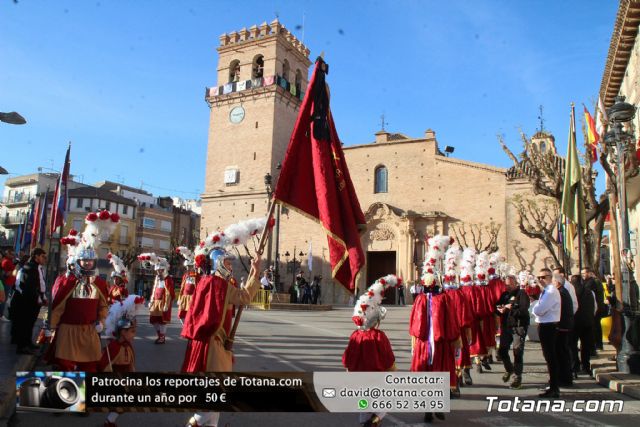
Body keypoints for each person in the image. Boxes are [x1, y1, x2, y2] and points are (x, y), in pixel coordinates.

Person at [182, 217, 266, 427]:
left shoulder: (207, 282)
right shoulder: (219, 285)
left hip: (208, 344)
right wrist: (256, 272)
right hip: (212, 346)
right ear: (217, 263)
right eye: (227, 262)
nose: (229, 265)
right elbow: (244, 297)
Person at [47, 211, 117, 371]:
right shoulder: (68, 282)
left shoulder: (99, 283)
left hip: (89, 331)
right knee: (66, 368)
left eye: (90, 261)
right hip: (68, 332)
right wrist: (50, 327)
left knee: (90, 367)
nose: (87, 263)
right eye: (84, 260)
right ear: (79, 261)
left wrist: (101, 321)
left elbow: (103, 306)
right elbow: (58, 307)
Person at [343, 275, 398, 427]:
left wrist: (349, 371)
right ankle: (374, 421)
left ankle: (366, 422)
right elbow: (388, 359)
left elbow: (347, 358)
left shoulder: (355, 335)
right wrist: (391, 371)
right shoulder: (379, 337)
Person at [99, 294, 144, 427]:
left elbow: (131, 363)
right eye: (132, 331)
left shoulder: (127, 346)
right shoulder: (114, 348)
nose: (134, 335)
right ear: (123, 332)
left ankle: (110, 421)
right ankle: (109, 422)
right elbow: (104, 365)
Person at [9, 248, 48, 354]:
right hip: (28, 301)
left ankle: (28, 342)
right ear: (36, 256)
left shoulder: (37, 267)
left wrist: (43, 296)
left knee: (30, 324)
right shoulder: (30, 268)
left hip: (34, 300)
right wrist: (38, 298)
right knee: (25, 323)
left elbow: (40, 284)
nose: (45, 259)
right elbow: (30, 287)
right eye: (43, 257)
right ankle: (22, 346)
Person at [495, 274, 530, 389]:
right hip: (506, 327)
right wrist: (499, 309)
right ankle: (509, 369)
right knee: (502, 351)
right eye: (506, 285)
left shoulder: (522, 294)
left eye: (509, 285)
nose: (507, 287)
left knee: (517, 352)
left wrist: (512, 308)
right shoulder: (505, 295)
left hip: (518, 327)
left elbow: (524, 311)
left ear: (515, 283)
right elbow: (497, 306)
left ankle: (517, 377)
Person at [532, 268, 561, 398]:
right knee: (549, 357)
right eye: (539, 277)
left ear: (550, 277)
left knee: (551, 358)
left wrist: (535, 308)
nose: (540, 280)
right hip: (545, 326)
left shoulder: (550, 292)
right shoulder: (546, 292)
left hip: (549, 326)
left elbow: (539, 310)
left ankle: (554, 387)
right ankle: (553, 385)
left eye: (543, 277)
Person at [141, 254, 174, 344]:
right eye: (158, 270)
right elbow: (154, 289)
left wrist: (166, 304)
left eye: (161, 270)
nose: (159, 272)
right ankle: (160, 335)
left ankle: (162, 337)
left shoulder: (168, 279)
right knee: (153, 320)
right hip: (155, 301)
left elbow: (169, 293)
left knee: (162, 321)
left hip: (163, 302)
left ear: (164, 270)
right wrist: (151, 301)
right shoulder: (157, 278)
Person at [571, 274, 595, 377]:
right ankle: (586, 366)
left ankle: (575, 366)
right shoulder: (590, 292)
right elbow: (595, 307)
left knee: (572, 346)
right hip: (587, 322)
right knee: (586, 346)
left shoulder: (571, 293)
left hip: (574, 323)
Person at [554, 271, 574, 387]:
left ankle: (565, 378)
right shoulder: (563, 292)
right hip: (564, 325)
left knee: (562, 353)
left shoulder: (561, 293)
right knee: (563, 353)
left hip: (562, 326)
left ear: (557, 283)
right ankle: (565, 377)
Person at [582, 267, 605, 353]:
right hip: (594, 307)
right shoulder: (589, 282)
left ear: (589, 273)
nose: (583, 275)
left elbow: (596, 295)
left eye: (584, 273)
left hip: (596, 307)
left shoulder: (593, 282)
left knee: (596, 326)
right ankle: (596, 344)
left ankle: (598, 344)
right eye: (582, 274)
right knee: (594, 326)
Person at [177, 246, 199, 321]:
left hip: (192, 299)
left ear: (193, 266)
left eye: (190, 266)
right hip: (184, 298)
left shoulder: (197, 276)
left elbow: (198, 289)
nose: (188, 268)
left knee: (191, 317)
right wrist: (180, 298)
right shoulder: (185, 276)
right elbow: (182, 288)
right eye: (187, 267)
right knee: (182, 317)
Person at [1, 248, 16, 321]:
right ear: (8, 254)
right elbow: (4, 273)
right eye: (12, 254)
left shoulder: (9, 261)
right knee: (3, 299)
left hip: (9, 283)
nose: (13, 255)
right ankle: (1, 315)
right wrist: (9, 273)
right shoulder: (6, 261)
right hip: (6, 283)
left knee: (4, 299)